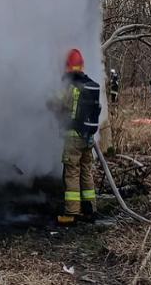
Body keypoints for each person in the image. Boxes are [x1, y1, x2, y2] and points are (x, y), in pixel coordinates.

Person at [55, 48, 101, 225]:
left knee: (72, 172)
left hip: (73, 137)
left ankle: (72, 213)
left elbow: (56, 102)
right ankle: (90, 209)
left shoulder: (71, 87)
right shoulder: (90, 85)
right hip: (88, 137)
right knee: (86, 170)